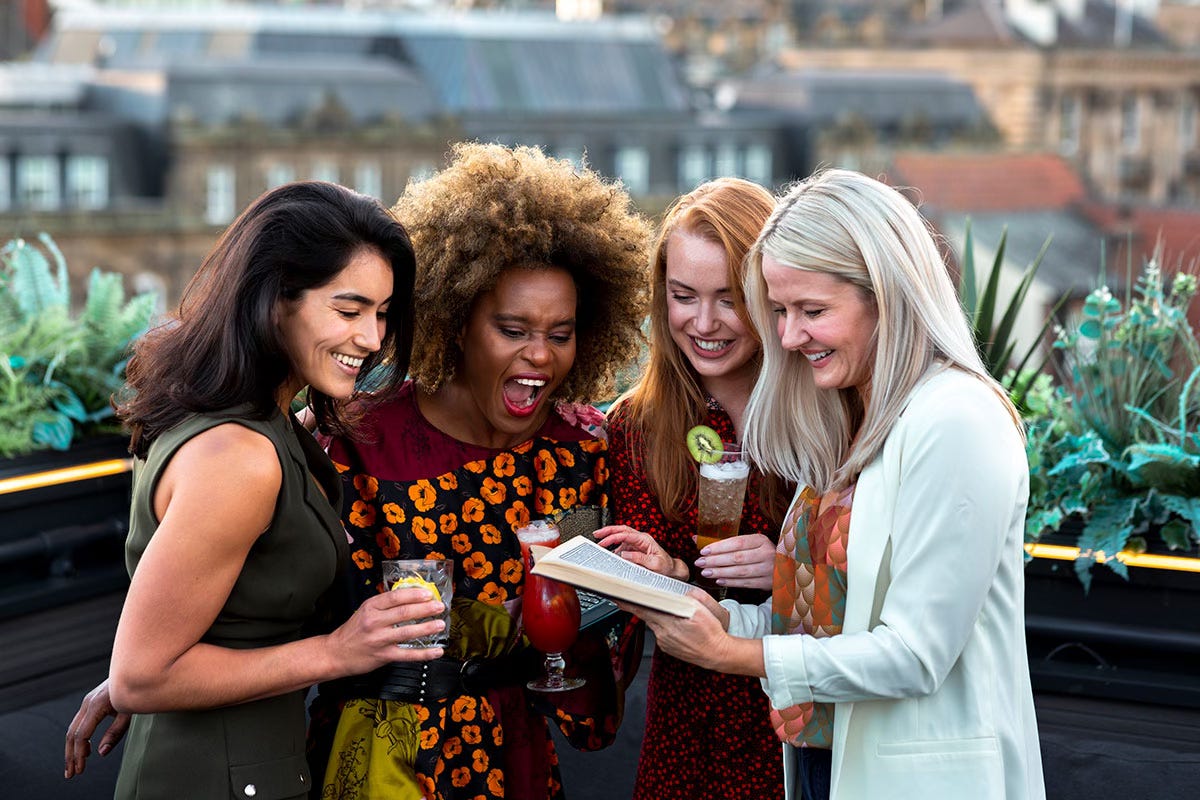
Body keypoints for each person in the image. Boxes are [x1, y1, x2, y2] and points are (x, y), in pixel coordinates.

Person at [624, 169, 1046, 800]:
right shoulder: (852, 416)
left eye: (811, 311)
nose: (789, 338)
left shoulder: (958, 417)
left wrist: (733, 655)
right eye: (780, 311)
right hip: (827, 763)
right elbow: (826, 622)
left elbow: (914, 655)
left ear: (888, 294)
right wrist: (721, 618)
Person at [62, 181, 449, 798]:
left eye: (381, 314)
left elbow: (181, 638)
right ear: (273, 301)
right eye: (349, 311)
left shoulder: (259, 421)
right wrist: (338, 652)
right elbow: (141, 677)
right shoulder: (240, 457)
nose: (373, 339)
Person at [305, 142, 651, 800]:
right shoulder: (364, 442)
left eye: (560, 332)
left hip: (516, 759)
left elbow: (593, 622)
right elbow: (303, 610)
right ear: (458, 321)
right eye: (513, 328)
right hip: (390, 760)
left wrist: (585, 612)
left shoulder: (578, 449)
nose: (540, 357)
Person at [592, 178, 789, 799]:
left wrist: (788, 569)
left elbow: (872, 584)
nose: (703, 323)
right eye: (682, 296)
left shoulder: (821, 418)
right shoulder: (634, 427)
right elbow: (657, 602)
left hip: (793, 723)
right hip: (687, 725)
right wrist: (660, 569)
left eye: (729, 300)